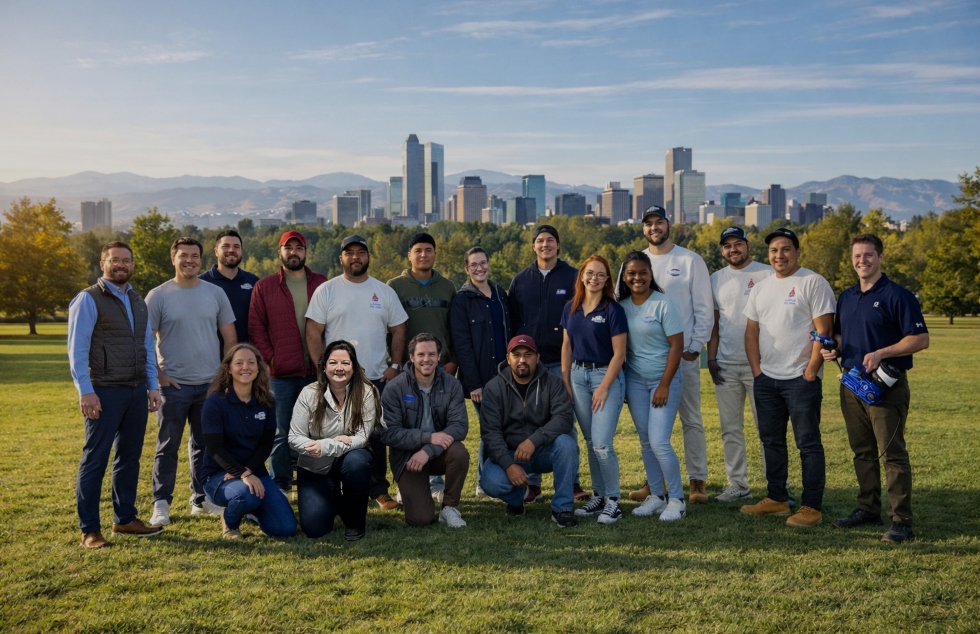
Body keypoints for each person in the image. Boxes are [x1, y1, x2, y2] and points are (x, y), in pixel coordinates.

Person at [823, 234, 929, 543]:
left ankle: (901, 521)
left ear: (880, 257)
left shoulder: (898, 295)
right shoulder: (846, 296)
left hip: (886, 386)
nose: (862, 261)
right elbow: (844, 338)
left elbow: (920, 339)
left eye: (868, 255)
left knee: (891, 454)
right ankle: (867, 508)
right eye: (857, 255)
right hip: (852, 385)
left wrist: (883, 352)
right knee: (862, 451)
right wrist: (834, 348)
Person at [68, 241, 164, 548]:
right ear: (103, 264)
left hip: (136, 391)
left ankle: (124, 520)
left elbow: (147, 347)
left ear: (132, 265)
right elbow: (77, 349)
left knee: (129, 458)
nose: (121, 265)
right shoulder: (88, 299)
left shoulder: (137, 300)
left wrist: (152, 385)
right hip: (104, 391)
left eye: (126, 261)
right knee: (95, 459)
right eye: (114, 260)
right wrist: (86, 391)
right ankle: (90, 530)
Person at [740, 228, 836, 528]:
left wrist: (810, 370)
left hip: (800, 379)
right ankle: (777, 498)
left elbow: (825, 330)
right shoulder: (761, 287)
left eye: (785, 249)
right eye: (773, 251)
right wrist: (757, 371)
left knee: (807, 443)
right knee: (771, 442)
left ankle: (811, 506)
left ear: (797, 252)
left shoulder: (813, 282)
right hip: (767, 379)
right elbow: (752, 332)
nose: (779, 255)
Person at [305, 234, 408, 511]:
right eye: (349, 253)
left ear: (368, 257)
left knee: (375, 438)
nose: (355, 257)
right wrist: (321, 370)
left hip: (374, 378)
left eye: (360, 252)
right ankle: (336, 490)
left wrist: (395, 366)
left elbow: (399, 328)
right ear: (341, 258)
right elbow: (313, 331)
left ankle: (378, 491)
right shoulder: (327, 291)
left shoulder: (383, 291)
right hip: (337, 379)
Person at [146, 237, 237, 527]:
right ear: (173, 259)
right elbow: (144, 340)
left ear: (201, 259)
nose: (189, 260)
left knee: (206, 445)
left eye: (194, 256)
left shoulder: (215, 293)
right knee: (167, 446)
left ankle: (201, 498)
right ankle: (161, 503)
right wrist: (158, 375)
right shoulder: (158, 296)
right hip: (173, 386)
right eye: (183, 255)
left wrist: (223, 378)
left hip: (209, 385)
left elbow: (230, 338)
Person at [507, 225, 587, 503]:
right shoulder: (520, 280)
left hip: (561, 363)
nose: (545, 245)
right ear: (533, 246)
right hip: (527, 366)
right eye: (540, 241)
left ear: (558, 245)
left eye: (550, 240)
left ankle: (573, 482)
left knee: (566, 422)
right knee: (527, 421)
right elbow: (514, 322)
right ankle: (532, 484)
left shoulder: (573, 276)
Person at [638, 205, 712, 505]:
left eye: (659, 222)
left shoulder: (690, 260)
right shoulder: (636, 262)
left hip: (682, 357)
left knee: (691, 419)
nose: (654, 228)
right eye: (648, 224)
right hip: (645, 360)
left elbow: (704, 308)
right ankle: (653, 483)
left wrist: (695, 347)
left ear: (669, 224)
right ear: (643, 229)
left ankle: (697, 482)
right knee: (649, 425)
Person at [248, 230, 327, 496]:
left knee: (317, 430)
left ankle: (314, 481)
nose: (293, 252)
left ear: (306, 252)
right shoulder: (265, 286)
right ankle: (280, 483)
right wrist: (271, 358)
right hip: (280, 374)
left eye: (298, 247)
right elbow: (256, 326)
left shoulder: (321, 283)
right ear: (280, 252)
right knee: (280, 431)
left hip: (317, 372)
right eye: (287, 247)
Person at [479, 335, 579, 528]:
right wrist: (508, 465)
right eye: (516, 355)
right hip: (511, 453)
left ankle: (562, 509)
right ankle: (517, 499)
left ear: (538, 357)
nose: (522, 360)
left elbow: (564, 419)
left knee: (567, 444)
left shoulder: (553, 383)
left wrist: (534, 440)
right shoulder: (494, 387)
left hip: (543, 451)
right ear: (508, 358)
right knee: (490, 481)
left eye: (528, 354)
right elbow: (490, 433)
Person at [387, 232, 458, 503]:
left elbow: (455, 327)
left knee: (437, 420)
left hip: (442, 367)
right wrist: (393, 364)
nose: (424, 255)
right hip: (406, 370)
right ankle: (406, 476)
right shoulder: (395, 286)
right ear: (409, 255)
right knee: (408, 421)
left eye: (429, 250)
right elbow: (390, 328)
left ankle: (436, 481)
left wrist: (452, 361)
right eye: (418, 250)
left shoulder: (447, 286)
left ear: (435, 254)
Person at [618, 251, 687, 522]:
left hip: (664, 379)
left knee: (659, 441)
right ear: (624, 277)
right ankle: (657, 496)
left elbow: (677, 346)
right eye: (631, 273)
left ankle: (678, 500)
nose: (637, 277)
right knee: (646, 441)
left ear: (650, 275)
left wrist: (664, 384)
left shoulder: (664, 304)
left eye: (642, 272)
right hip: (635, 380)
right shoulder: (620, 306)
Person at [201, 344, 297, 539]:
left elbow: (266, 443)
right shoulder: (215, 402)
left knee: (284, 529)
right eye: (239, 363)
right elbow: (215, 449)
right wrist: (240, 472)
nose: (246, 367)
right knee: (246, 494)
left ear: (259, 368)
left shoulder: (267, 400)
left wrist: (248, 471)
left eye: (251, 362)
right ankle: (230, 522)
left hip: (253, 472)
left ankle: (252, 509)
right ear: (229, 368)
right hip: (219, 474)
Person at [707, 226, 774, 502]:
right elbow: (714, 324)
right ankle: (738, 484)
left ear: (748, 245)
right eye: (727, 246)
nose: (732, 249)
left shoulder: (767, 274)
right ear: (722, 250)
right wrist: (710, 358)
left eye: (738, 244)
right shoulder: (715, 280)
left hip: (762, 366)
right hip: (726, 365)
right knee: (730, 428)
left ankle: (775, 486)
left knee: (767, 429)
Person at [288, 340, 380, 541]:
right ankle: (335, 500)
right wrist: (315, 447)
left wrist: (326, 445)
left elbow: (362, 437)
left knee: (358, 460)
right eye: (333, 363)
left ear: (354, 367)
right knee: (315, 529)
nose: (339, 368)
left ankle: (355, 524)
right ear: (324, 366)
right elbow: (294, 437)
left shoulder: (366, 392)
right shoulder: (309, 393)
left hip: (348, 459)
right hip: (314, 464)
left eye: (345, 363)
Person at [560, 255, 628, 524]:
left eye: (601, 274)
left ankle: (614, 500)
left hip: (605, 376)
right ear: (582, 276)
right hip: (577, 376)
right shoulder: (570, 307)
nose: (594, 279)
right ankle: (598, 496)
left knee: (601, 444)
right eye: (590, 273)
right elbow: (566, 345)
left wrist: (604, 388)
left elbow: (619, 354)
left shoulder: (613, 310)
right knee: (589, 442)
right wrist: (565, 378)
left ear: (607, 279)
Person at [381, 333, 469, 528]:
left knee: (459, 452)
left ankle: (449, 508)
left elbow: (460, 426)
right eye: (421, 355)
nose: (426, 359)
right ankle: (412, 491)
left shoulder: (452, 384)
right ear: (411, 357)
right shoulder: (395, 388)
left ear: (439, 357)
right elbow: (389, 433)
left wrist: (427, 450)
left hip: (439, 452)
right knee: (420, 519)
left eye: (432, 354)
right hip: (408, 458)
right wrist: (428, 437)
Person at [450, 246, 512, 498]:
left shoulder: (499, 293)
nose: (479, 268)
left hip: (506, 377)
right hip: (481, 380)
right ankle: (483, 482)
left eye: (483, 263)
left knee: (502, 428)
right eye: (474, 265)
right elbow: (462, 344)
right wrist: (474, 383)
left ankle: (490, 477)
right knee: (490, 429)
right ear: (466, 269)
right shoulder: (462, 300)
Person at [199, 229, 259, 350]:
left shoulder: (254, 282)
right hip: (210, 359)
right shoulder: (201, 283)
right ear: (216, 251)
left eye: (236, 247)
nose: (231, 250)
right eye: (226, 246)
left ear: (241, 251)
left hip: (247, 360)